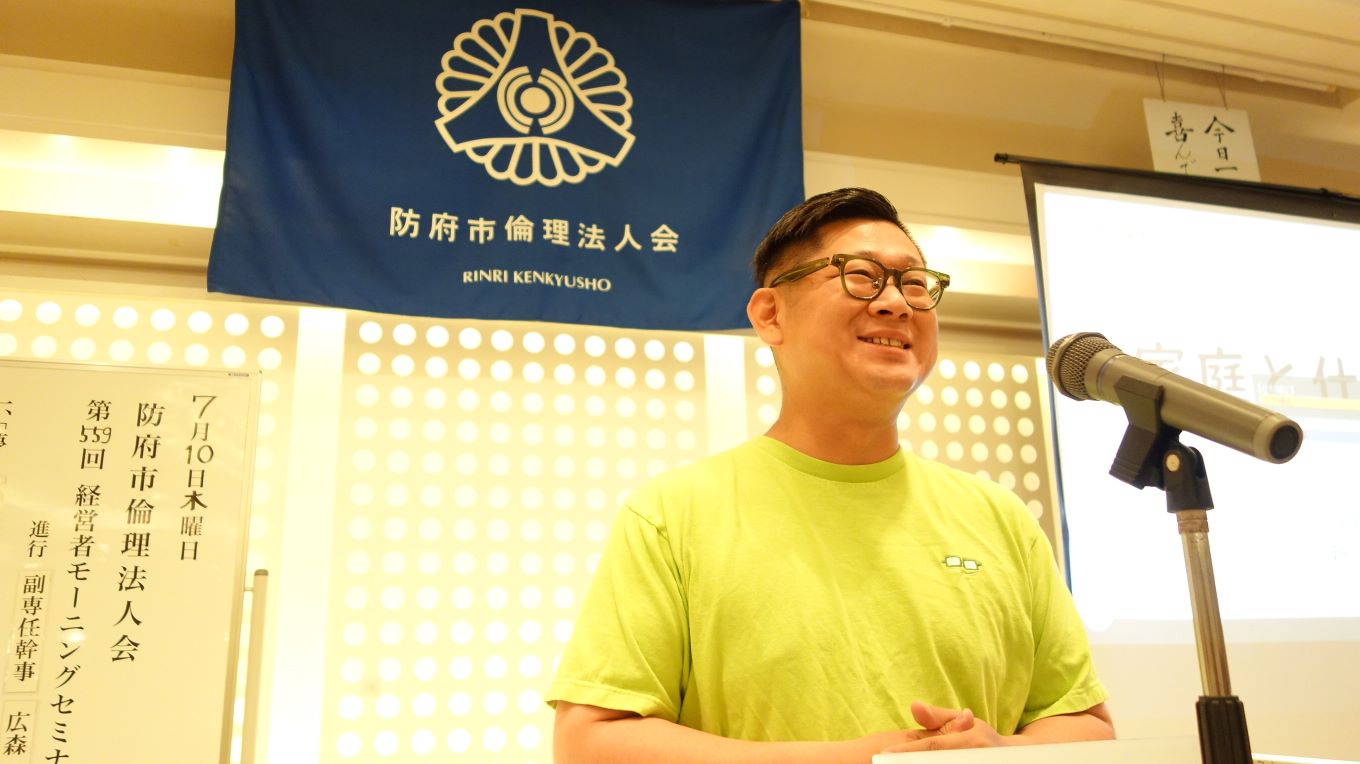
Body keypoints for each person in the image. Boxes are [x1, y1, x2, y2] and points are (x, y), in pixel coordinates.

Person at [547, 188, 1113, 762]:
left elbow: (1083, 721)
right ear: (771, 315)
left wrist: (1000, 752)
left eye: (915, 283)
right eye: (861, 275)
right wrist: (854, 759)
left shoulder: (1000, 518)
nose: (896, 303)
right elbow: (590, 741)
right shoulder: (671, 515)